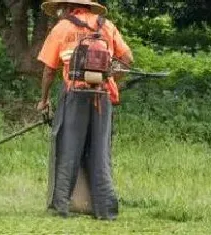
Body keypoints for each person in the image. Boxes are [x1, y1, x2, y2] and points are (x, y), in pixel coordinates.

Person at [36, 0, 133, 220]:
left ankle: (61, 206)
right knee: (100, 152)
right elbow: (127, 59)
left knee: (68, 149)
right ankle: (106, 210)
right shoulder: (105, 25)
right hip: (102, 95)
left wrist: (43, 101)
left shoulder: (61, 28)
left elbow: (49, 71)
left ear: (68, 8)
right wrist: (109, 79)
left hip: (74, 95)